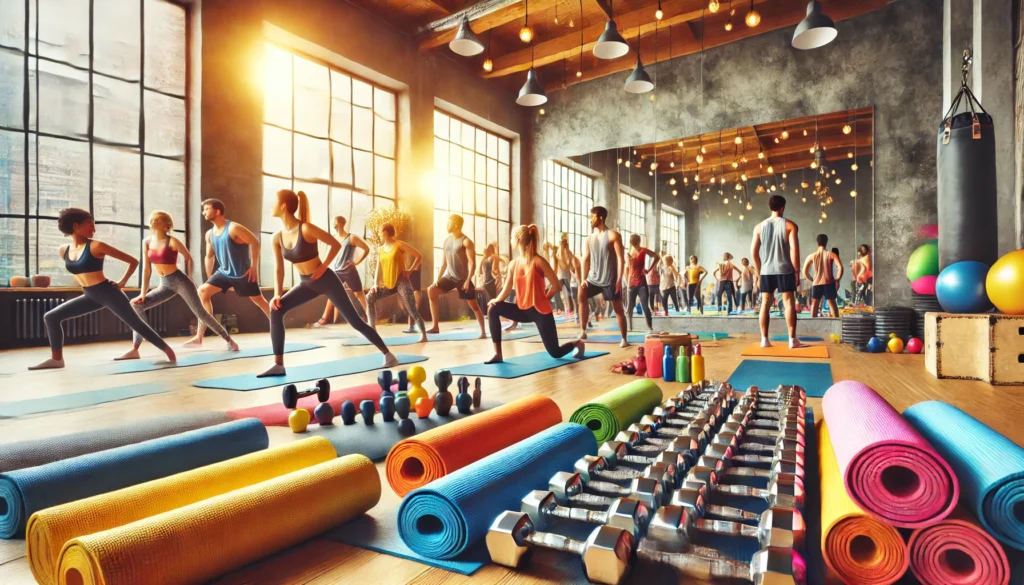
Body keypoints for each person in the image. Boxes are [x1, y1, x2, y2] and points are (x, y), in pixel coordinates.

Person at [259, 190, 397, 377]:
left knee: (355, 321)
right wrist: (276, 294)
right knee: (276, 309)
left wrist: (323, 267)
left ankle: (388, 355)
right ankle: (278, 364)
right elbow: (278, 268)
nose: (271, 206)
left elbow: (335, 244)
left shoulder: (306, 229)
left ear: (283, 206)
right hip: (306, 284)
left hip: (326, 281)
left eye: (274, 201)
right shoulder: (277, 237)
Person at [30, 208, 176, 370]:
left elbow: (133, 261)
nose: (94, 229)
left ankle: (170, 353)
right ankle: (57, 360)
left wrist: (122, 282)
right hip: (90, 295)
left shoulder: (97, 246)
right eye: (90, 225)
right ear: (76, 226)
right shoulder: (64, 250)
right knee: (51, 317)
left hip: (108, 293)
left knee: (137, 324)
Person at [117, 211, 238, 361]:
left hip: (180, 281)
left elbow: (188, 258)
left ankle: (229, 340)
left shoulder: (172, 241)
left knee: (201, 313)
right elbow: (146, 270)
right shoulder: (147, 242)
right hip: (164, 284)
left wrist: (190, 277)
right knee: (137, 305)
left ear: (166, 224)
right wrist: (143, 293)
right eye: (152, 219)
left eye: (157, 219)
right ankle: (135, 348)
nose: (152, 221)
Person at [485, 225, 585, 364]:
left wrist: (544, 299)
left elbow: (556, 285)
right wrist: (496, 300)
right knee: (493, 308)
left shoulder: (538, 261)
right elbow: (507, 288)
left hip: (540, 312)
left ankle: (577, 343)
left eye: (512, 237)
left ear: (518, 239)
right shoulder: (514, 264)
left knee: (555, 353)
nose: (510, 239)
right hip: (522, 310)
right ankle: (498, 354)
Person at [182, 199, 271, 347]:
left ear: (217, 211)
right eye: (203, 210)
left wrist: (254, 266)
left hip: (242, 274)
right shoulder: (209, 234)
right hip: (223, 272)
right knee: (203, 291)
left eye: (207, 209)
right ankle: (199, 337)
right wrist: (210, 277)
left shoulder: (233, 228)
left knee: (260, 301)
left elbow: (254, 242)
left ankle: (276, 328)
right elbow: (209, 256)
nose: (204, 212)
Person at [751, 194, 802, 348]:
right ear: (782, 207)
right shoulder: (790, 226)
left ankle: (764, 339)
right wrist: (797, 272)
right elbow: (794, 250)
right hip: (785, 269)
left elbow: (754, 253)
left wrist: (759, 272)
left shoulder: (758, 227)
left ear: (770, 207)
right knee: (788, 303)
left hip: (766, 270)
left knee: (765, 304)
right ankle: (792, 340)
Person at [577, 206, 629, 347]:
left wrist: (619, 280)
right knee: (581, 294)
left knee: (618, 309)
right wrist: (583, 279)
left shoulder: (613, 235)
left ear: (600, 217)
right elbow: (585, 259)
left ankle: (624, 338)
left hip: (610, 279)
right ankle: (583, 330)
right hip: (593, 278)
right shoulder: (588, 239)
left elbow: (620, 259)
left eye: (592, 216)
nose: (590, 220)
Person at [367, 223, 428, 342]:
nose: (379, 234)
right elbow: (378, 267)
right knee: (369, 297)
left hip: (401, 281)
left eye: (380, 231)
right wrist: (375, 284)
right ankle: (372, 331)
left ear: (385, 232)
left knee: (411, 309)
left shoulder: (399, 244)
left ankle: (424, 335)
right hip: (387, 284)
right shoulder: (381, 249)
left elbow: (418, 256)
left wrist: (410, 271)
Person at [427, 214, 485, 338]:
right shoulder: (447, 241)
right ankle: (435, 326)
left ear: (456, 225)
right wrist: (436, 280)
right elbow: (444, 263)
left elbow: (473, 263)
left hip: (463, 279)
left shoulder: (466, 242)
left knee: (474, 306)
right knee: (431, 291)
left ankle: (483, 332)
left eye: (449, 223)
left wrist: (468, 280)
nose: (447, 225)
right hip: (450, 277)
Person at [315, 216, 369, 327]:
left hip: (349, 271)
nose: (333, 225)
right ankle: (324, 318)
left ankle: (370, 315)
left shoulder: (352, 238)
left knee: (359, 294)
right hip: (337, 270)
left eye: (335, 223)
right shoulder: (334, 239)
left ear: (340, 223)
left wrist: (356, 262)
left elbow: (366, 249)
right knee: (331, 293)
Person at [802, 234, 844, 319]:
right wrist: (837, 280)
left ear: (817, 243)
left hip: (816, 283)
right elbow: (840, 267)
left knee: (814, 303)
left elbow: (804, 271)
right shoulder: (831, 254)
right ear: (826, 242)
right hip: (828, 282)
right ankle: (836, 324)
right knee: (832, 303)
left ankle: (813, 324)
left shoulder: (811, 256)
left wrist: (812, 279)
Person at [625, 234, 660, 332]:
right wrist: (627, 281)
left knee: (645, 307)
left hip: (641, 283)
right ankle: (630, 326)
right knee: (630, 307)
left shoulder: (643, 251)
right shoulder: (627, 254)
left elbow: (657, 257)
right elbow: (627, 269)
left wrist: (648, 269)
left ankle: (649, 327)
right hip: (632, 283)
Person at [556, 235, 579, 318]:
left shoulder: (566, 253)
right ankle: (569, 309)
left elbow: (569, 265)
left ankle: (569, 309)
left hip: (564, 275)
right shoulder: (561, 253)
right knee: (567, 293)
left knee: (567, 293)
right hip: (563, 275)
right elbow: (566, 265)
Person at [401, 267, 425, 334]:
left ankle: (412, 325)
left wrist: (410, 270)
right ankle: (412, 325)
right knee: (412, 301)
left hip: (412, 272)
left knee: (413, 301)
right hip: (411, 271)